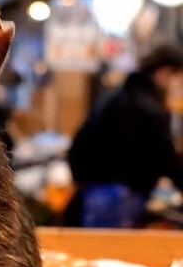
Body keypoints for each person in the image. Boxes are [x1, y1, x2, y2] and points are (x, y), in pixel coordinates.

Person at [66, 44, 183, 227]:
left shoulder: (118, 94)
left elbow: (80, 140)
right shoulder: (148, 106)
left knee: (97, 251)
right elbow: (164, 155)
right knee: (111, 251)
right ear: (165, 73)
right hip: (119, 195)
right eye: (179, 78)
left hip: (96, 189)